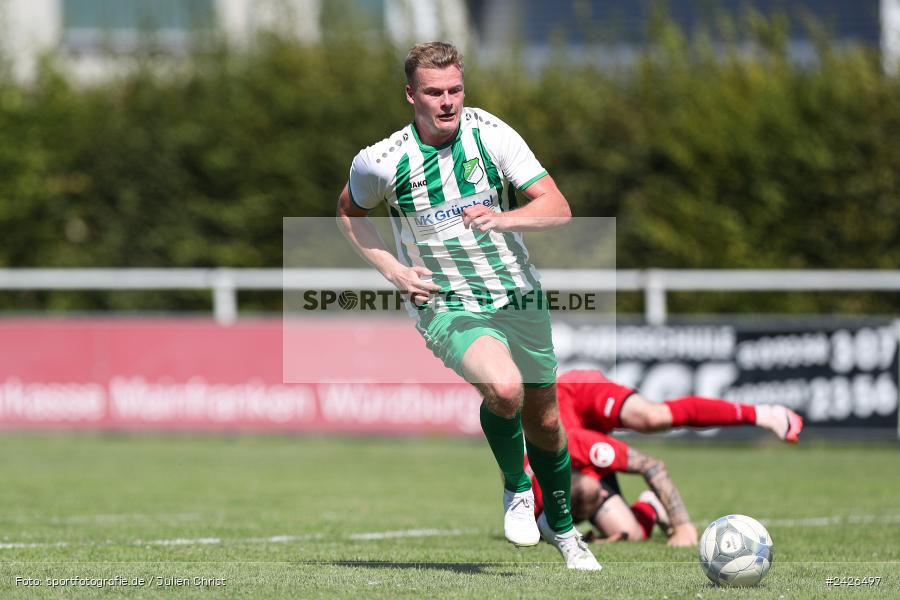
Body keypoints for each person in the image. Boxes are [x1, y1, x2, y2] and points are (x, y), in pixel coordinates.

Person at [336, 42, 600, 570]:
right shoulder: (382, 161)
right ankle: (516, 487)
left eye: (455, 89)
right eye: (434, 92)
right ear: (411, 95)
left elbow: (557, 206)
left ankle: (564, 530)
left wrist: (504, 219)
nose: (447, 101)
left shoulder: (491, 133)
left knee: (547, 421)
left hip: (518, 293)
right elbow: (348, 212)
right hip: (446, 302)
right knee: (504, 388)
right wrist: (394, 271)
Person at [528, 369, 805, 546]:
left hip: (577, 393)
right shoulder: (532, 495)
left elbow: (651, 466)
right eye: (600, 496)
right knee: (631, 533)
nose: (604, 492)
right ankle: (651, 507)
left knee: (652, 417)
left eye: (599, 492)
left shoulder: (579, 445)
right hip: (571, 465)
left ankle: (763, 414)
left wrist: (683, 527)